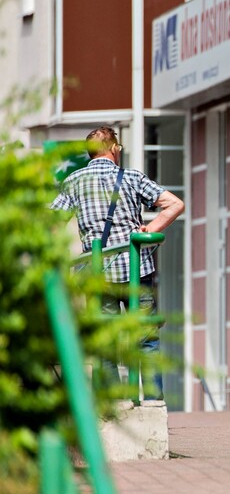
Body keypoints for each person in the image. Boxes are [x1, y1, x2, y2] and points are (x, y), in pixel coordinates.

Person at [52, 126, 185, 400]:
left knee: (107, 342)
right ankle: (151, 404)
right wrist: (149, 229)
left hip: (98, 274)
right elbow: (174, 204)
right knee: (146, 339)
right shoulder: (132, 177)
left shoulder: (74, 180)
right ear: (114, 149)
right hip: (138, 272)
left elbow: (50, 221)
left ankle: (114, 406)